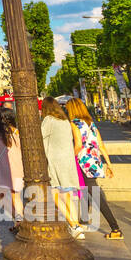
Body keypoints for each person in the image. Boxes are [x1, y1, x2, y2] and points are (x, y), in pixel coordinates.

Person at [65, 97, 123, 239]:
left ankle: (115, 228)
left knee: (94, 194)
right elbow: (101, 145)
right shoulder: (91, 123)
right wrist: (108, 164)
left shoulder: (74, 123)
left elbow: (78, 145)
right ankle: (84, 220)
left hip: (84, 162)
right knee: (87, 190)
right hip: (95, 161)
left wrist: (68, 158)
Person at [40, 98, 85, 236]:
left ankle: (73, 225)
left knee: (54, 195)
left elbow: (39, 137)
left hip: (56, 161)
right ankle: (76, 226)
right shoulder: (65, 121)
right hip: (69, 161)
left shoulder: (48, 120)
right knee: (68, 196)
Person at [0, 107, 24, 232]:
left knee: (0, 195)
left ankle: (18, 220)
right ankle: (19, 221)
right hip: (18, 167)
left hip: (3, 168)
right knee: (16, 195)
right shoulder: (18, 132)